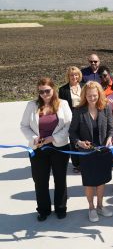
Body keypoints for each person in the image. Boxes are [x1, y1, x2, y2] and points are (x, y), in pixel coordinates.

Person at [20, 77, 72, 221]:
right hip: (38, 149)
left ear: (53, 89)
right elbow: (24, 126)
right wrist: (33, 138)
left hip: (59, 147)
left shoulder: (63, 104)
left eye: (47, 91)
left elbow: (69, 126)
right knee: (40, 181)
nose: (44, 94)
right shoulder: (32, 105)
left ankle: (61, 207)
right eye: (41, 92)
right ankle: (43, 210)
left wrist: (53, 138)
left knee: (60, 179)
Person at [69, 81, 113, 222]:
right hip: (87, 153)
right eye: (89, 96)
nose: (92, 98)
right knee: (89, 182)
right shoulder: (79, 110)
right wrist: (79, 142)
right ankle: (91, 207)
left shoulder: (106, 107)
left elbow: (111, 128)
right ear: (84, 95)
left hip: (103, 152)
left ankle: (100, 206)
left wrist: (109, 138)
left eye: (94, 95)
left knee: (101, 181)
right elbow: (72, 132)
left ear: (99, 94)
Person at [59, 66, 83, 173]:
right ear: (68, 76)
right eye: (71, 75)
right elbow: (61, 107)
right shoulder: (63, 90)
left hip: (84, 115)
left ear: (79, 75)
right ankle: (77, 164)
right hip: (71, 116)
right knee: (74, 140)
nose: (74, 77)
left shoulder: (84, 86)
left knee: (84, 138)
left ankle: (85, 161)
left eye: (76, 74)